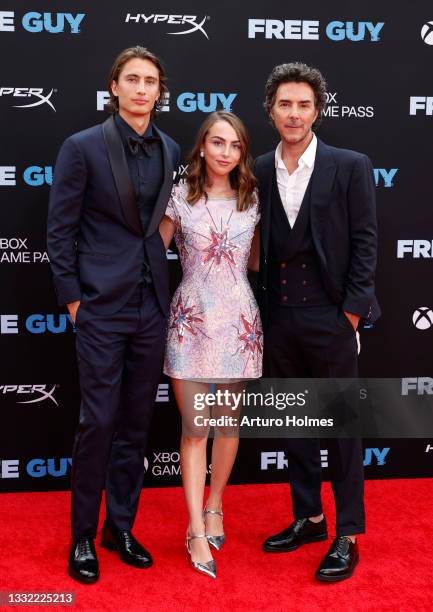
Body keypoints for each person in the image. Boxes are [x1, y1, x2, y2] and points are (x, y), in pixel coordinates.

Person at [47, 46, 180, 584]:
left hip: (152, 305)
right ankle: (82, 534)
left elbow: (162, 225)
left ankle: (118, 526)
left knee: (136, 422)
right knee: (97, 421)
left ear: (159, 89)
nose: (143, 89)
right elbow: (60, 229)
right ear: (115, 87)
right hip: (100, 305)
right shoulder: (82, 147)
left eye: (151, 81)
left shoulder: (171, 147)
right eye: (133, 79)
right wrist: (74, 299)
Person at [253, 62, 380, 582]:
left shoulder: (349, 164)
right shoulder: (258, 167)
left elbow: (366, 242)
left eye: (304, 104)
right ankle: (308, 516)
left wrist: (350, 314)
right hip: (277, 317)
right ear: (271, 110)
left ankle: (347, 534)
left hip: (330, 318)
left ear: (318, 110)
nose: (294, 113)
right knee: (294, 426)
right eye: (285, 103)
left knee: (342, 430)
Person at [159, 111, 262, 578]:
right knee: (194, 430)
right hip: (190, 324)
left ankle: (216, 504)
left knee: (228, 426)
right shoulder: (179, 197)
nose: (225, 152)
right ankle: (195, 528)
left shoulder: (253, 199)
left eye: (234, 145)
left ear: (243, 152)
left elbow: (261, 260)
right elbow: (149, 256)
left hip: (239, 323)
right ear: (201, 147)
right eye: (217, 142)